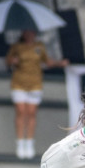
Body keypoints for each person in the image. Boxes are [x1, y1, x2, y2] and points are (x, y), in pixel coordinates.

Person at [6, 29, 69, 159]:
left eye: (32, 32)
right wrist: (13, 61)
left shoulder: (39, 46)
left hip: (35, 84)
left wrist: (59, 63)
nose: (29, 34)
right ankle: (20, 142)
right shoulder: (17, 47)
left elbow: (47, 62)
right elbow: (7, 61)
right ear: (23, 33)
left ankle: (29, 142)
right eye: (27, 32)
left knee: (31, 112)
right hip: (19, 83)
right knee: (21, 111)